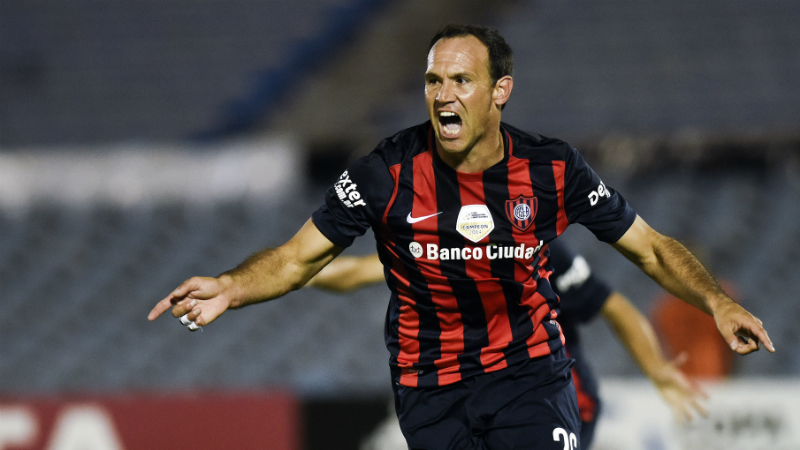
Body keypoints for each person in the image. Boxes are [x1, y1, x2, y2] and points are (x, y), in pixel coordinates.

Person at [149, 23, 773, 450]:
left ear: (500, 91)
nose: (443, 96)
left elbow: (651, 246)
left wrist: (714, 300)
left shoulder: (552, 169)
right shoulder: (385, 172)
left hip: (528, 371)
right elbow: (294, 260)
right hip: (430, 387)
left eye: (461, 81)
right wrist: (231, 286)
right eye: (433, 81)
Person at [306, 240, 708, 448]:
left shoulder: (540, 252)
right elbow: (357, 271)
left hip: (557, 404)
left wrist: (657, 370)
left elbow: (615, 307)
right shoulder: (434, 248)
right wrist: (294, 272)